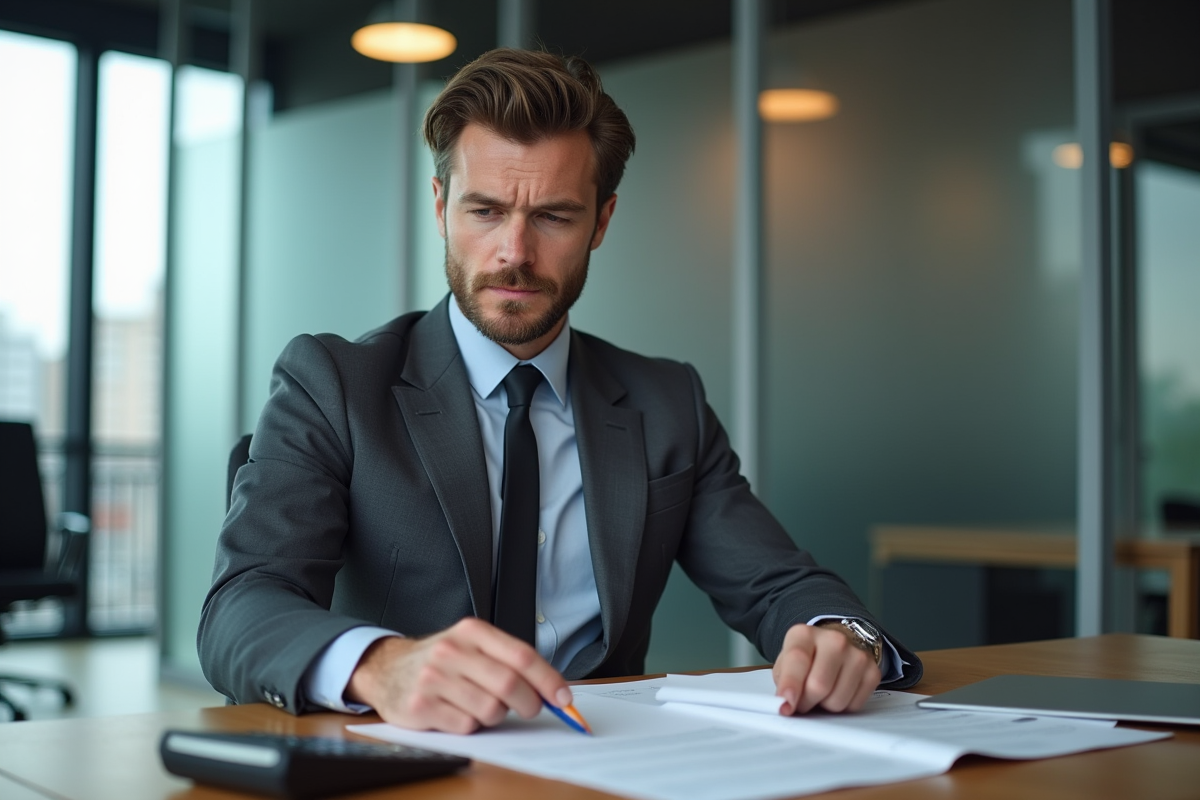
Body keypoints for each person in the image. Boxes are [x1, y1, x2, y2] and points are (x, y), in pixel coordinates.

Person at [199, 48, 922, 735]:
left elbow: (778, 584)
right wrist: (380, 665)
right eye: (484, 211)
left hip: (606, 761)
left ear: (602, 221)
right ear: (440, 205)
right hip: (407, 764)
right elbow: (242, 608)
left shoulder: (665, 403)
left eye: (553, 216)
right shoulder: (333, 385)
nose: (515, 252)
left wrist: (841, 635)